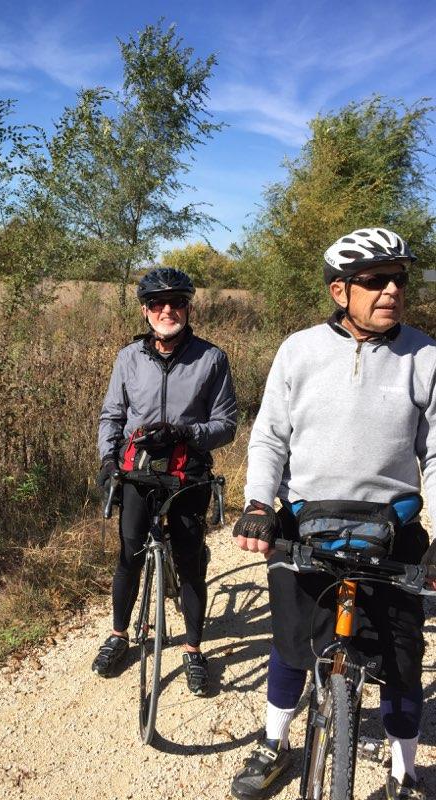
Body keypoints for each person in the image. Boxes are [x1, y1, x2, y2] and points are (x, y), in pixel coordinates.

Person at [230, 228, 436, 800]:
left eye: (399, 279)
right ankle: (274, 743)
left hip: (392, 526)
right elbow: (270, 436)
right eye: (376, 280)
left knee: (401, 655)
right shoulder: (298, 350)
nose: (392, 290)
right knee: (292, 641)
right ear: (340, 291)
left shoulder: (425, 355)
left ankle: (404, 773)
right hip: (306, 522)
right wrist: (257, 503)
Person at [91, 267, 237, 695]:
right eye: (158, 304)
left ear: (188, 309)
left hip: (187, 474)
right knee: (129, 555)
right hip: (137, 471)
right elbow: (112, 415)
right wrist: (107, 460)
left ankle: (193, 648)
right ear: (146, 311)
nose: (167, 310)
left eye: (177, 303)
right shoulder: (128, 358)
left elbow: (227, 424)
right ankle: (119, 635)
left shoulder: (211, 359)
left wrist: (186, 432)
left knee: (190, 563)